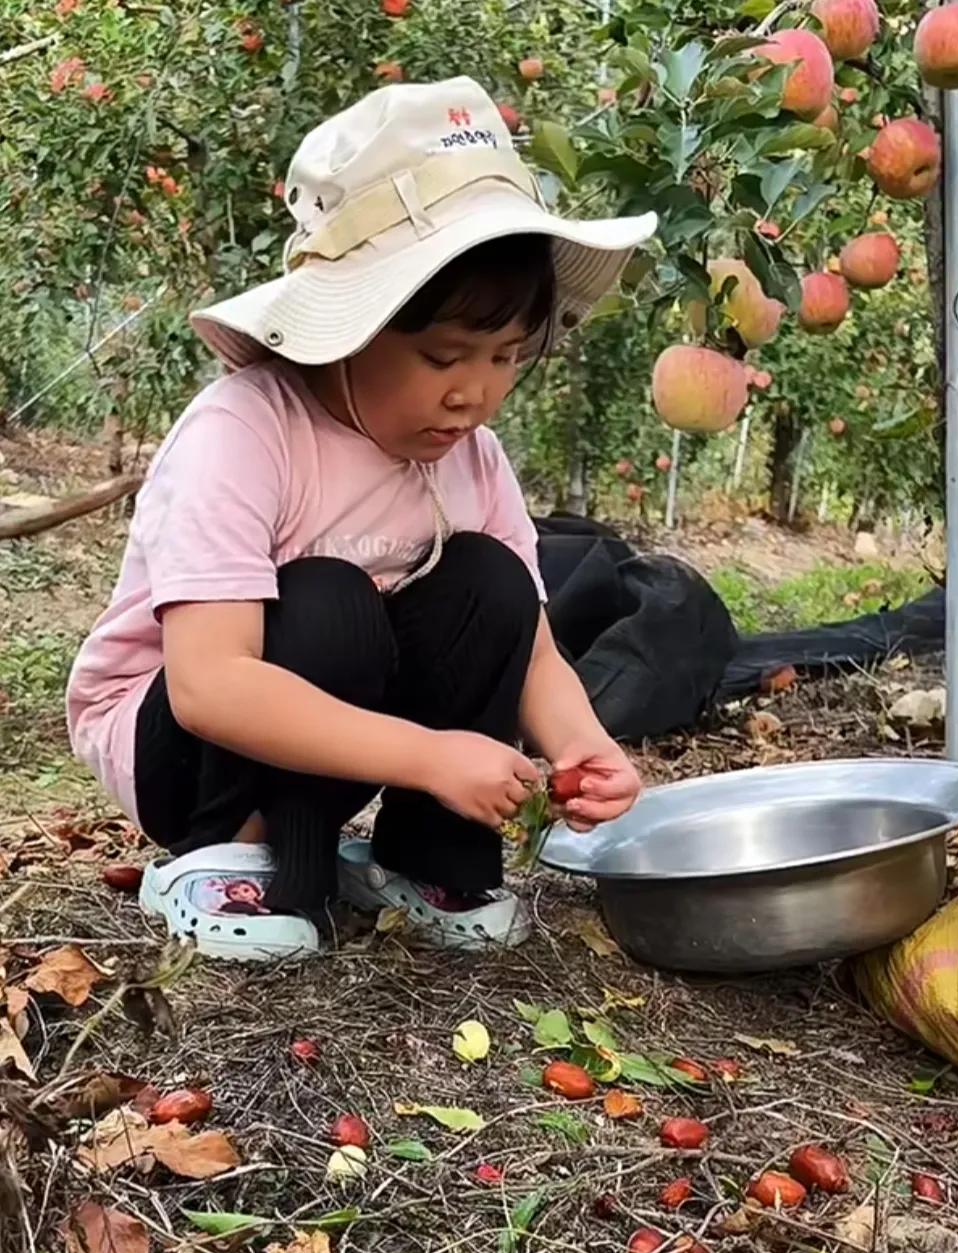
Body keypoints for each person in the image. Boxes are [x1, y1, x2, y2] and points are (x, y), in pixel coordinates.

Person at [65, 76, 658, 961]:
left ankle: (429, 862)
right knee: (329, 598)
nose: (475, 393)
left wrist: (584, 748)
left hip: (343, 729)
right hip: (183, 748)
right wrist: (428, 755)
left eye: (506, 357)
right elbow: (210, 685)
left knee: (491, 582)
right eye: (444, 356)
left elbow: (531, 650)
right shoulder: (246, 431)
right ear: (351, 325)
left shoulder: (473, 458)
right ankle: (231, 853)